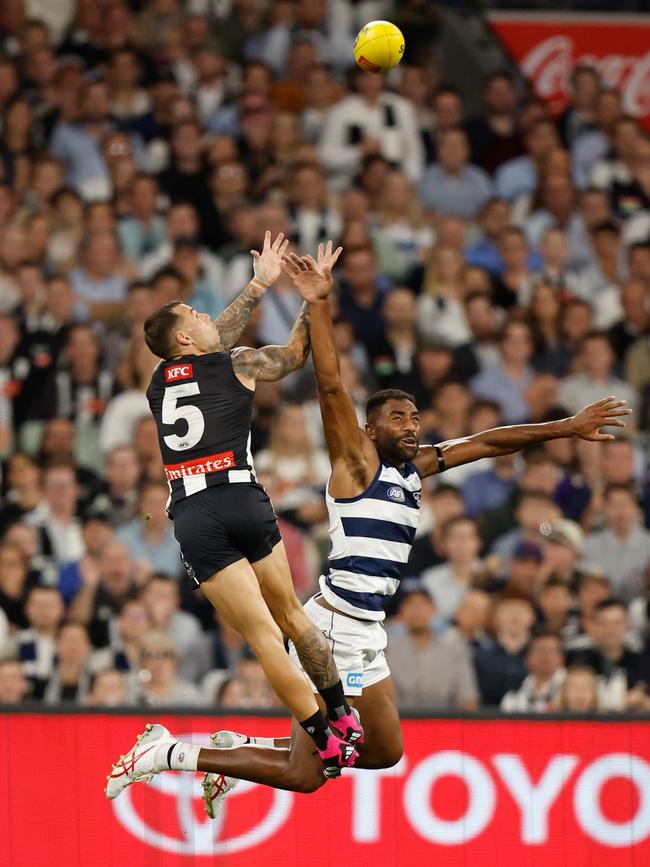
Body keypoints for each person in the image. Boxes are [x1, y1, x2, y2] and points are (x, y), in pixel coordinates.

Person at [190, 242, 630, 812]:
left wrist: (566, 427)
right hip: (334, 629)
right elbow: (329, 385)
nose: (412, 425)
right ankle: (177, 755)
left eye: (415, 417)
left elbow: (491, 441)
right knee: (308, 774)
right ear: (369, 430)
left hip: (367, 628)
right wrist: (318, 305)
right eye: (398, 418)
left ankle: (240, 747)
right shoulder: (355, 464)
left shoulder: (417, 466)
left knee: (384, 751)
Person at [106, 231, 362, 795]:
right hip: (240, 495)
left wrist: (257, 284)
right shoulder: (238, 364)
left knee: (264, 640)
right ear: (183, 336)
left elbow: (207, 342)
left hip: (194, 514)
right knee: (293, 619)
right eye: (194, 312)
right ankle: (343, 715)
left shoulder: (156, 384)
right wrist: (311, 300)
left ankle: (327, 739)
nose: (206, 315)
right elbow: (294, 356)